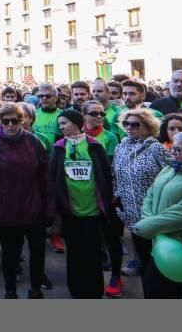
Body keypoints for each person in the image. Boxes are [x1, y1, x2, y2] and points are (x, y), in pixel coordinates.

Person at [0, 103, 53, 299]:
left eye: (15, 121)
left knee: (37, 254)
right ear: (0, 122)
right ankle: (10, 290)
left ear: (23, 121)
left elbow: (45, 179)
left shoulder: (35, 143)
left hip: (34, 208)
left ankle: (36, 289)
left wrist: (49, 210)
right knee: (10, 256)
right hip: (7, 211)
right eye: (6, 121)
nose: (10, 125)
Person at [134, 131, 182, 298]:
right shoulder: (169, 168)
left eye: (177, 150)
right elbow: (150, 196)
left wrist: (147, 226)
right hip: (161, 249)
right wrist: (149, 221)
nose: (171, 153)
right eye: (172, 148)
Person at [49, 108, 114, 298]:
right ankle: (76, 291)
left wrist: (107, 203)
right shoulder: (59, 147)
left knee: (93, 254)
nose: (61, 127)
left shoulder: (94, 146)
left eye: (64, 123)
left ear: (77, 124)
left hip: (93, 211)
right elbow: (53, 178)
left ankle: (94, 291)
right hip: (70, 212)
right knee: (74, 255)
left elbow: (105, 175)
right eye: (59, 124)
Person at [112, 108, 171, 282]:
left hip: (153, 214)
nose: (129, 127)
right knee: (143, 255)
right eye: (126, 123)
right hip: (129, 213)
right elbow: (114, 175)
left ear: (148, 127)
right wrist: (117, 197)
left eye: (135, 124)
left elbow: (173, 173)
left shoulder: (156, 148)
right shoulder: (121, 146)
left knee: (156, 259)